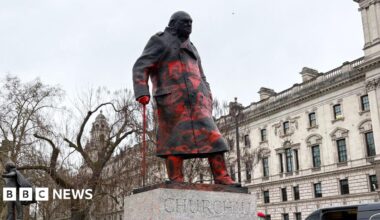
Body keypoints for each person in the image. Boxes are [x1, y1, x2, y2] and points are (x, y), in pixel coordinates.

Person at [133, 11, 239, 186]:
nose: (189, 25)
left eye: (191, 22)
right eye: (185, 22)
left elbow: (201, 74)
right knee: (173, 141)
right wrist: (141, 91)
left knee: (214, 137)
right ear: (174, 24)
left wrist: (207, 94)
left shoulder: (192, 46)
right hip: (172, 100)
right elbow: (141, 65)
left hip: (198, 101)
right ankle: (176, 178)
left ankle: (221, 176)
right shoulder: (159, 40)